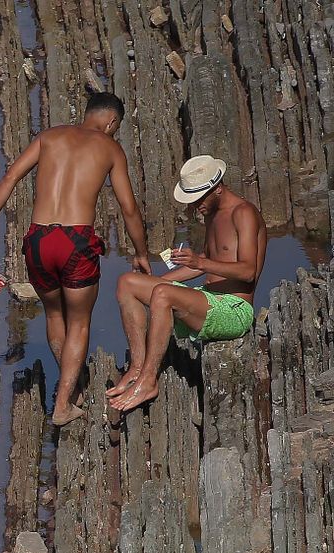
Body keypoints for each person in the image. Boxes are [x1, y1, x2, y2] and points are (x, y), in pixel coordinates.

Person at [0, 91, 150, 426]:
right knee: (80, 323)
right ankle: (64, 403)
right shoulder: (110, 147)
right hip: (75, 241)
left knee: (55, 315)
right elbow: (128, 208)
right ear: (111, 121)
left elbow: (10, 177)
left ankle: (71, 390)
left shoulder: (49, 137)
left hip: (38, 239)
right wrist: (140, 253)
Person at [108, 155, 265, 413]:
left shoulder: (244, 213)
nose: (194, 207)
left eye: (198, 199)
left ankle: (148, 381)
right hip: (208, 298)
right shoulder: (212, 213)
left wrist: (199, 265)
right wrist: (158, 280)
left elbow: (248, 271)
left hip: (234, 310)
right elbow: (206, 260)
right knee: (128, 283)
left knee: (162, 295)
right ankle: (137, 369)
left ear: (218, 189)